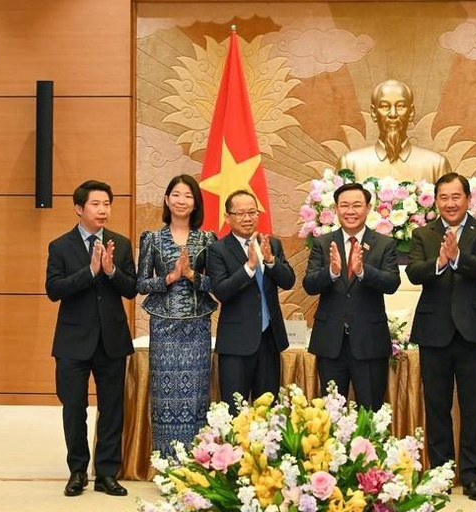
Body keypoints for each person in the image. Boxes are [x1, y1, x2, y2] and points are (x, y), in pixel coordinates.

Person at [406, 172, 476, 502]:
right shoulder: (422, 233)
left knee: (474, 408)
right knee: (437, 407)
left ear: (468, 199)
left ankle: (472, 476)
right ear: (436, 201)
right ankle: (441, 473)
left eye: (456, 197)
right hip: (434, 333)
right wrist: (440, 261)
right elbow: (413, 272)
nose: (450, 203)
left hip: (473, 333)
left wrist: (458, 257)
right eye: (443, 197)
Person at [45, 180, 137, 497]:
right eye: (96, 204)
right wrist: (90, 271)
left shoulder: (120, 244)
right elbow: (53, 289)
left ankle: (107, 473)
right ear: (79, 208)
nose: (103, 210)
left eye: (107, 204)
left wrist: (110, 271)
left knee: (112, 409)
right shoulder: (60, 246)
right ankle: (77, 471)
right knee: (74, 408)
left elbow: (131, 288)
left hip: (112, 340)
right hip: (73, 342)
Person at [136, 174, 218, 458]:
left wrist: (192, 275)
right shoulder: (152, 238)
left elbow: (216, 284)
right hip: (163, 326)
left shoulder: (208, 239)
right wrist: (169, 278)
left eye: (188, 196)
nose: (182, 200)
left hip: (197, 326)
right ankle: (166, 464)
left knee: (196, 395)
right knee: (164, 396)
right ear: (167, 200)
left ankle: (196, 464)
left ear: (196, 204)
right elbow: (141, 284)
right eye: (176, 195)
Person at [303, 183, 401, 409]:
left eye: (357, 205)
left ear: (368, 208)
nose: (350, 211)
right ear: (335, 209)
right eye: (344, 205)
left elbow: (392, 283)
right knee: (331, 414)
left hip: (369, 342)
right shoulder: (323, 243)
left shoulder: (384, 244)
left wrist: (363, 271)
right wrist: (331, 272)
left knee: (371, 412)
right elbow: (309, 285)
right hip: (331, 342)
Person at [207, 190, 295, 411]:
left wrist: (271, 260)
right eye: (240, 213)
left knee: (267, 412)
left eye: (252, 212)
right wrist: (249, 267)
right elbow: (221, 291)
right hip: (236, 344)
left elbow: (288, 281)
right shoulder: (218, 250)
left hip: (269, 340)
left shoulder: (271, 244)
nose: (247, 218)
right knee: (235, 412)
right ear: (227, 217)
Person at [337, 79, 451, 182]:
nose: (393, 114)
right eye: (384, 106)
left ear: (411, 112)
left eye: (400, 106)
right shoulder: (350, 164)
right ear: (374, 113)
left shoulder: (436, 166)